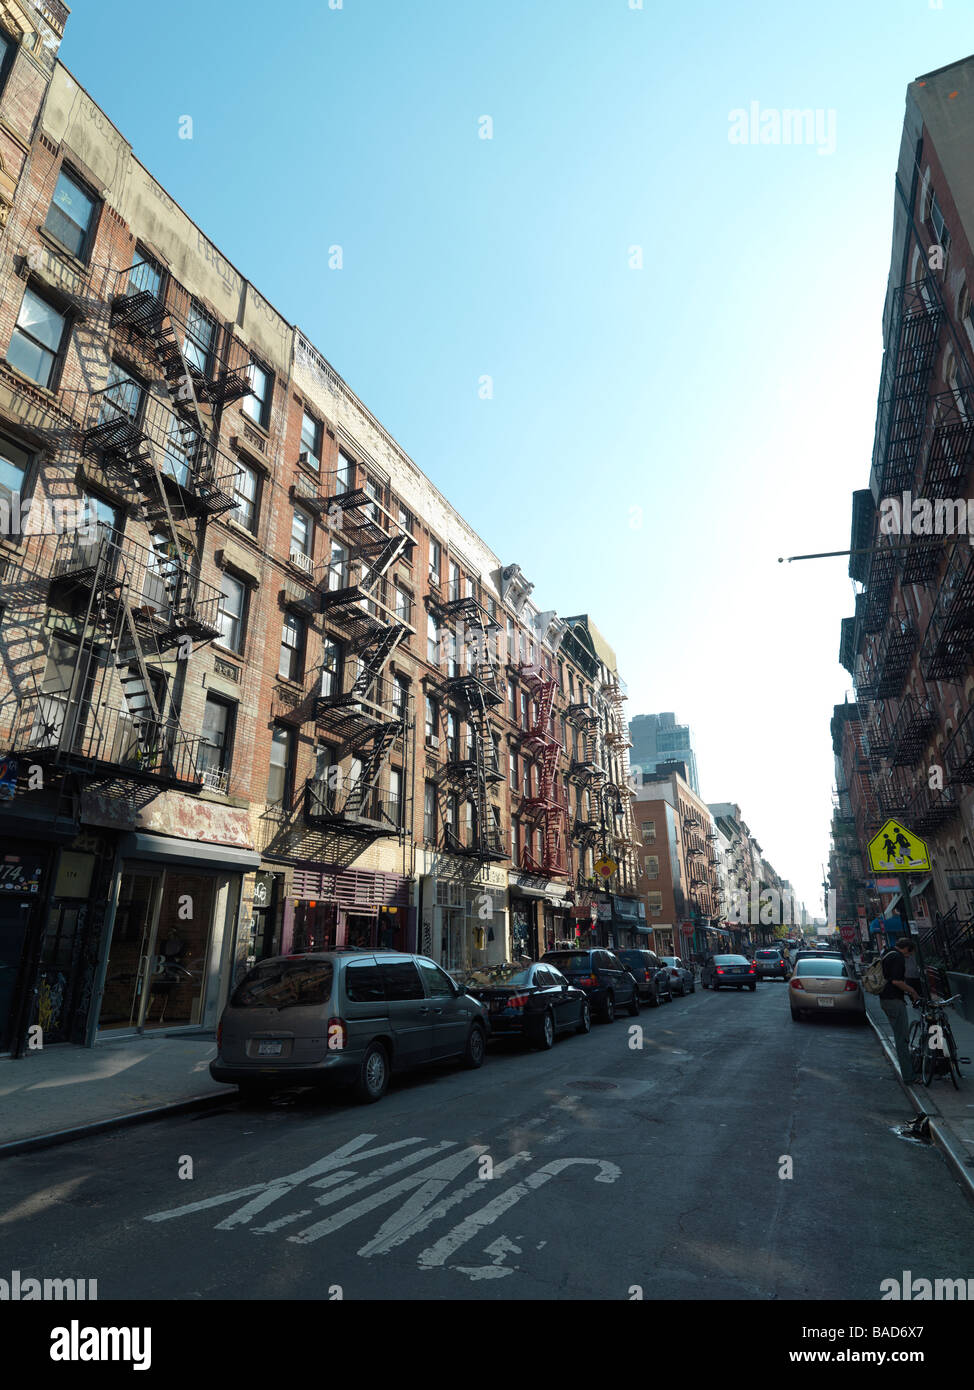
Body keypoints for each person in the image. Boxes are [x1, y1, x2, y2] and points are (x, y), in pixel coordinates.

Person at [880, 935, 921, 1084]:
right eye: (909, 953)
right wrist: (913, 991)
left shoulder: (887, 953)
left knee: (900, 1037)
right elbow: (896, 981)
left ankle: (908, 1073)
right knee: (902, 1039)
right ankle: (909, 1076)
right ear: (905, 949)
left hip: (885, 999)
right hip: (894, 1001)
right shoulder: (898, 958)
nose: (909, 956)